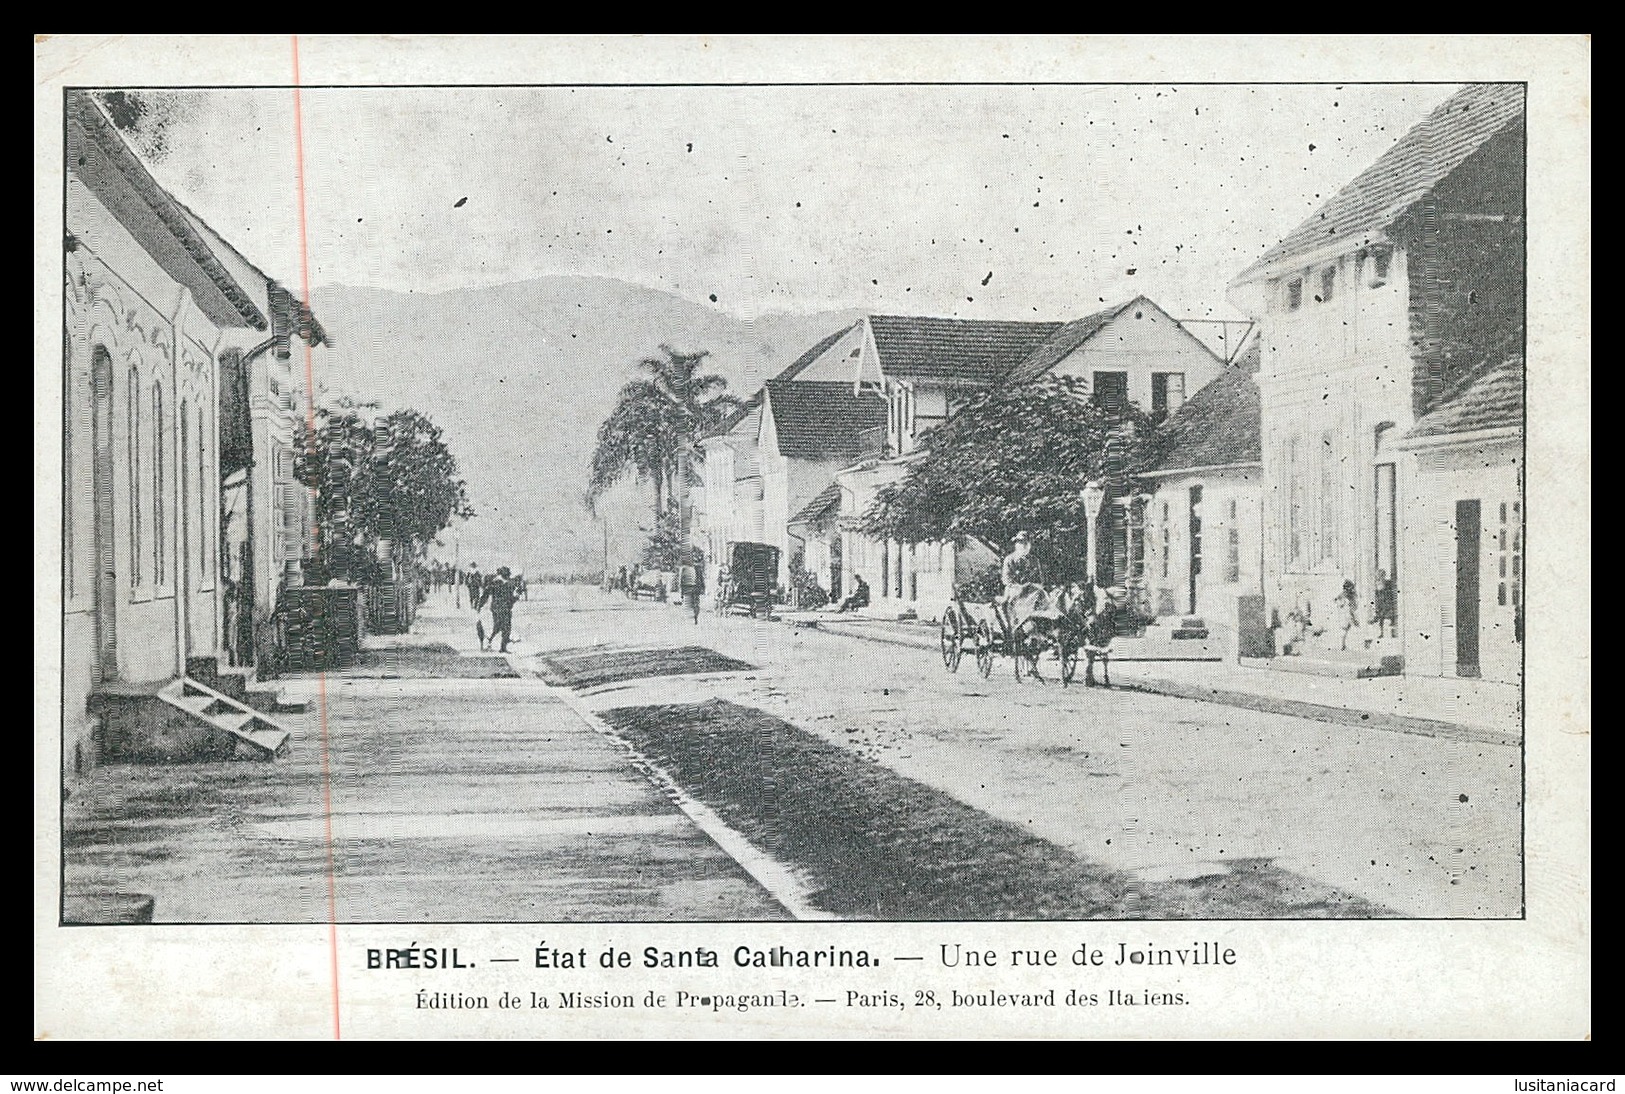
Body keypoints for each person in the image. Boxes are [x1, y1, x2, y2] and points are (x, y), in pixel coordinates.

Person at [485, 566, 520, 653]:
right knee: (505, 628)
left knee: (499, 627)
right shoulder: (508, 585)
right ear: (507, 575)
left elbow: (487, 594)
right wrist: (516, 597)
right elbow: (510, 599)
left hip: (497, 609)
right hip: (504, 609)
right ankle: (500, 647)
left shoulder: (494, 583)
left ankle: (492, 642)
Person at [679, 550, 706, 624]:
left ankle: (694, 617)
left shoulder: (698, 568)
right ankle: (692, 617)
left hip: (693, 587)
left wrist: (703, 588)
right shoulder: (686, 569)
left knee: (695, 603)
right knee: (691, 603)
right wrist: (681, 591)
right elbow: (682, 580)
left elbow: (701, 579)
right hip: (689, 587)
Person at [1332, 578, 1360, 651]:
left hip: (1346, 614)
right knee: (1348, 629)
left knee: (1346, 630)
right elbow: (1353, 606)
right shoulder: (1348, 595)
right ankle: (1343, 645)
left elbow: (1337, 601)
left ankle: (1343, 645)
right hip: (1348, 614)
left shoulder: (1344, 595)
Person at [1373, 570, 1397, 639]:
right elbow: (1377, 594)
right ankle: (1381, 633)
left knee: (1391, 617)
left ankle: (1393, 633)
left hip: (1387, 602)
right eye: (1379, 575)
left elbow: (1390, 593)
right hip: (1381, 603)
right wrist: (1377, 604)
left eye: (1381, 575)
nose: (1380, 577)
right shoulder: (1377, 583)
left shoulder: (1388, 583)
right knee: (1381, 618)